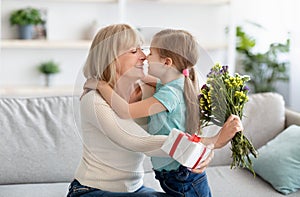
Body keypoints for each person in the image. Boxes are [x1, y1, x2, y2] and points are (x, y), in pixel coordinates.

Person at [67, 24, 243, 197]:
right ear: (111, 58)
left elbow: (184, 121)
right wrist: (209, 142)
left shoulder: (153, 91)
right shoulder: (94, 100)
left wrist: (202, 153)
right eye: (134, 51)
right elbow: (138, 141)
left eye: (144, 50)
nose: (144, 56)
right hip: (90, 191)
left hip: (135, 189)